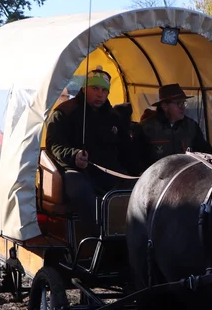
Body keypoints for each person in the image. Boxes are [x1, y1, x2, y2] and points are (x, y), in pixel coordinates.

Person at [44, 68, 150, 222]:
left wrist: (139, 172)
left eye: (104, 90)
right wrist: (74, 155)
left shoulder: (114, 117)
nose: (100, 94)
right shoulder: (64, 113)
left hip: (111, 171)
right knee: (81, 191)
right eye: (95, 89)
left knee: (137, 190)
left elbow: (126, 150)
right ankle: (96, 238)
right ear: (84, 88)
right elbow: (54, 145)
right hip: (76, 170)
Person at [139, 83, 212, 163]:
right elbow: (137, 162)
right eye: (179, 103)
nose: (183, 107)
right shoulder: (145, 128)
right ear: (165, 106)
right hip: (157, 174)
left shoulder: (191, 126)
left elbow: (206, 153)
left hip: (185, 174)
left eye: (184, 103)